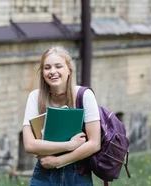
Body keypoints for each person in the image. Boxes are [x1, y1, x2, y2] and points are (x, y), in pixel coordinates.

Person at [21, 46, 101, 185]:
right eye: (47, 67)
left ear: (69, 69)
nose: (52, 71)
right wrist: (69, 145)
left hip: (78, 173)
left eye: (58, 66)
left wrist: (58, 161)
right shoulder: (35, 97)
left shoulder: (84, 95)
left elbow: (94, 143)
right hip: (44, 173)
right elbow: (29, 145)